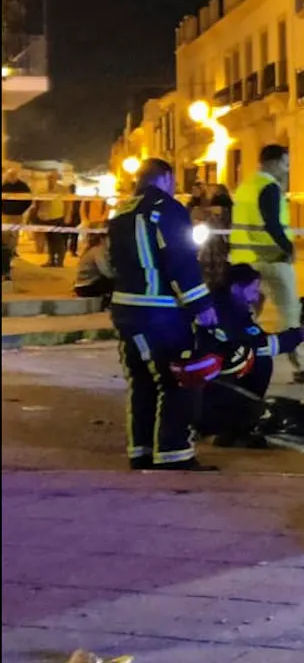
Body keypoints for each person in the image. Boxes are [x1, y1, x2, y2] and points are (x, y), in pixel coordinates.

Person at [108, 158, 218, 470]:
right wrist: (201, 305)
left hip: (126, 309)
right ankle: (174, 454)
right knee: (176, 380)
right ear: (167, 178)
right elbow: (180, 260)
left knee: (143, 382)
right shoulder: (167, 208)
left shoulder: (121, 211)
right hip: (159, 310)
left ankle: (141, 451)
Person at [229, 145, 304, 383]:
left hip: (245, 263)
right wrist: (289, 248)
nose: (287, 169)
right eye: (285, 164)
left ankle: (235, 359)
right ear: (273, 162)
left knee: (246, 315)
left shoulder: (246, 186)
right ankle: (302, 366)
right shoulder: (269, 187)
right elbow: (272, 224)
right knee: (290, 311)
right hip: (273, 260)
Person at [198, 263, 304, 448]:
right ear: (236, 288)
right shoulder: (229, 312)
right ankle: (236, 425)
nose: (256, 294)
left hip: (211, 380)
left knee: (256, 359)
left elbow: (256, 338)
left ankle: (230, 426)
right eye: (253, 288)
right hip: (215, 386)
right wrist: (300, 335)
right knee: (258, 361)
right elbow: (259, 345)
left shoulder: (226, 305)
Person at [0, 168, 30, 283]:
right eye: (9, 174)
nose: (11, 176)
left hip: (17, 215)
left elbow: (28, 200)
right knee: (5, 240)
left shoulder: (23, 186)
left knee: (13, 238)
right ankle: (6, 265)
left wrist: (21, 210)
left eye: (13, 174)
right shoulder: (4, 185)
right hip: (5, 215)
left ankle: (9, 261)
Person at [72, 220, 114, 298]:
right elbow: (105, 271)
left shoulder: (92, 248)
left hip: (83, 285)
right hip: (86, 286)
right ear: (103, 239)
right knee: (115, 283)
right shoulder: (99, 250)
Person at [36, 185, 72, 267]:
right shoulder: (43, 189)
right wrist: (39, 213)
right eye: (49, 177)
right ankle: (51, 260)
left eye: (52, 177)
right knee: (50, 241)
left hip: (58, 218)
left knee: (59, 241)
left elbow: (68, 203)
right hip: (46, 218)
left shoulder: (63, 189)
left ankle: (60, 262)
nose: (50, 180)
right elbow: (39, 202)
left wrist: (67, 215)